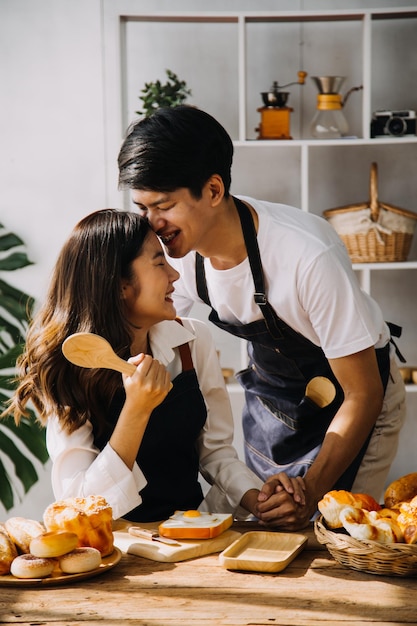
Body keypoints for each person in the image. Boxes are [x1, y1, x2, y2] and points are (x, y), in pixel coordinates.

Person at [117, 104, 407, 531]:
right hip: (274, 401)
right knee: (264, 521)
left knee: (331, 530)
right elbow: (149, 333)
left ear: (213, 191)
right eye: (142, 208)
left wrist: (311, 491)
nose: (152, 225)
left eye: (162, 206)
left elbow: (362, 394)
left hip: (357, 399)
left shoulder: (305, 255)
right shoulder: (175, 256)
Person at [4, 208, 301, 523]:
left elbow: (216, 454)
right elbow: (79, 507)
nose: (175, 275)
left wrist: (258, 500)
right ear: (119, 284)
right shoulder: (70, 368)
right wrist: (137, 409)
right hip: (117, 554)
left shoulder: (192, 341)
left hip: (190, 537)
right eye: (160, 262)